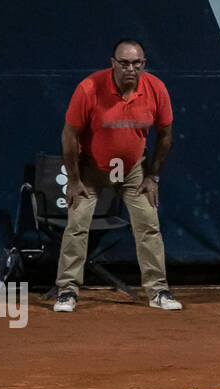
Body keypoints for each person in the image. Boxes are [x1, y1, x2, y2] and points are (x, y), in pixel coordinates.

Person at [53, 38, 182, 312]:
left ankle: (158, 290)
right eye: (124, 63)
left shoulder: (156, 88)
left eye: (136, 63)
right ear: (113, 64)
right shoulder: (89, 88)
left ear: (144, 64)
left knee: (149, 224)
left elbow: (166, 136)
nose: (130, 69)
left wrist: (153, 177)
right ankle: (67, 290)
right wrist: (74, 181)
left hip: (134, 170)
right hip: (91, 169)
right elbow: (68, 135)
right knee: (76, 225)